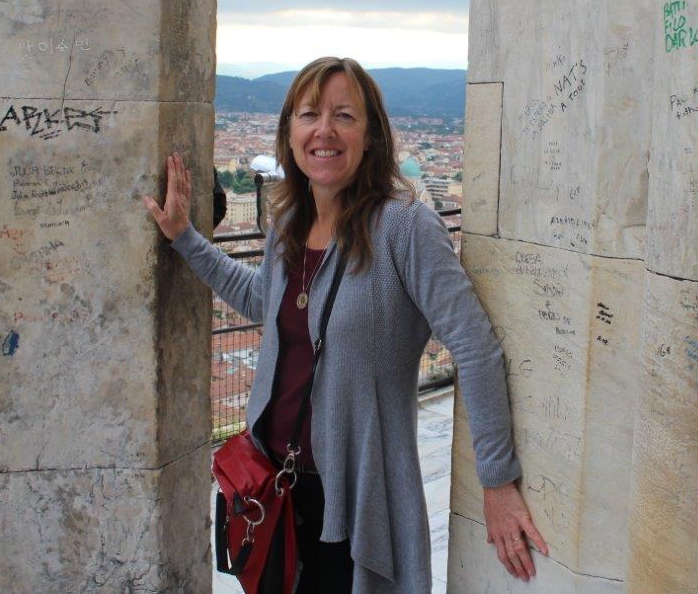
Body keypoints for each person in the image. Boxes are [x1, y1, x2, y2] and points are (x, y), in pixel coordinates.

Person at [144, 56, 546, 593]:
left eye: (344, 116)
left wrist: (497, 481)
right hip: (271, 490)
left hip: (354, 498)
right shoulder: (289, 221)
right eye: (309, 114)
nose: (324, 130)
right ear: (290, 132)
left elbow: (475, 349)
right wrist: (184, 238)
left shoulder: (405, 228)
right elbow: (263, 301)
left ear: (372, 135)